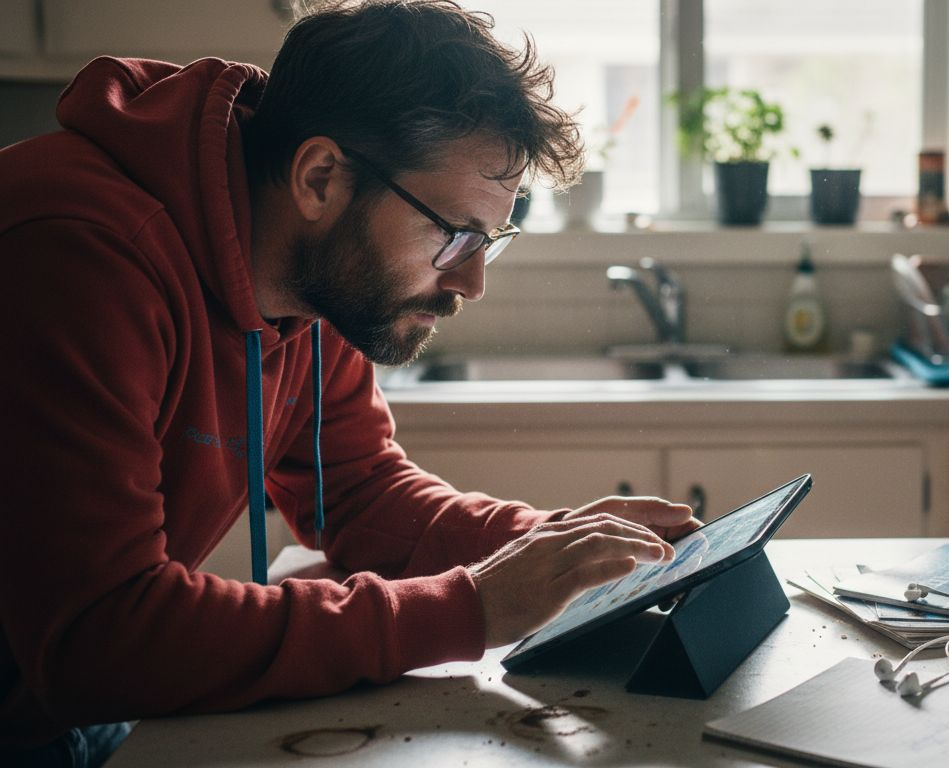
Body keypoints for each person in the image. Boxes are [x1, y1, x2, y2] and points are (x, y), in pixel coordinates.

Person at [0, 1, 698, 764]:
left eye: (487, 242)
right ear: (320, 178)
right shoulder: (76, 256)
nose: (470, 282)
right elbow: (104, 637)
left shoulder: (309, 278)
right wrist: (471, 607)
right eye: (453, 234)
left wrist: (555, 548)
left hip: (54, 709)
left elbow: (362, 492)